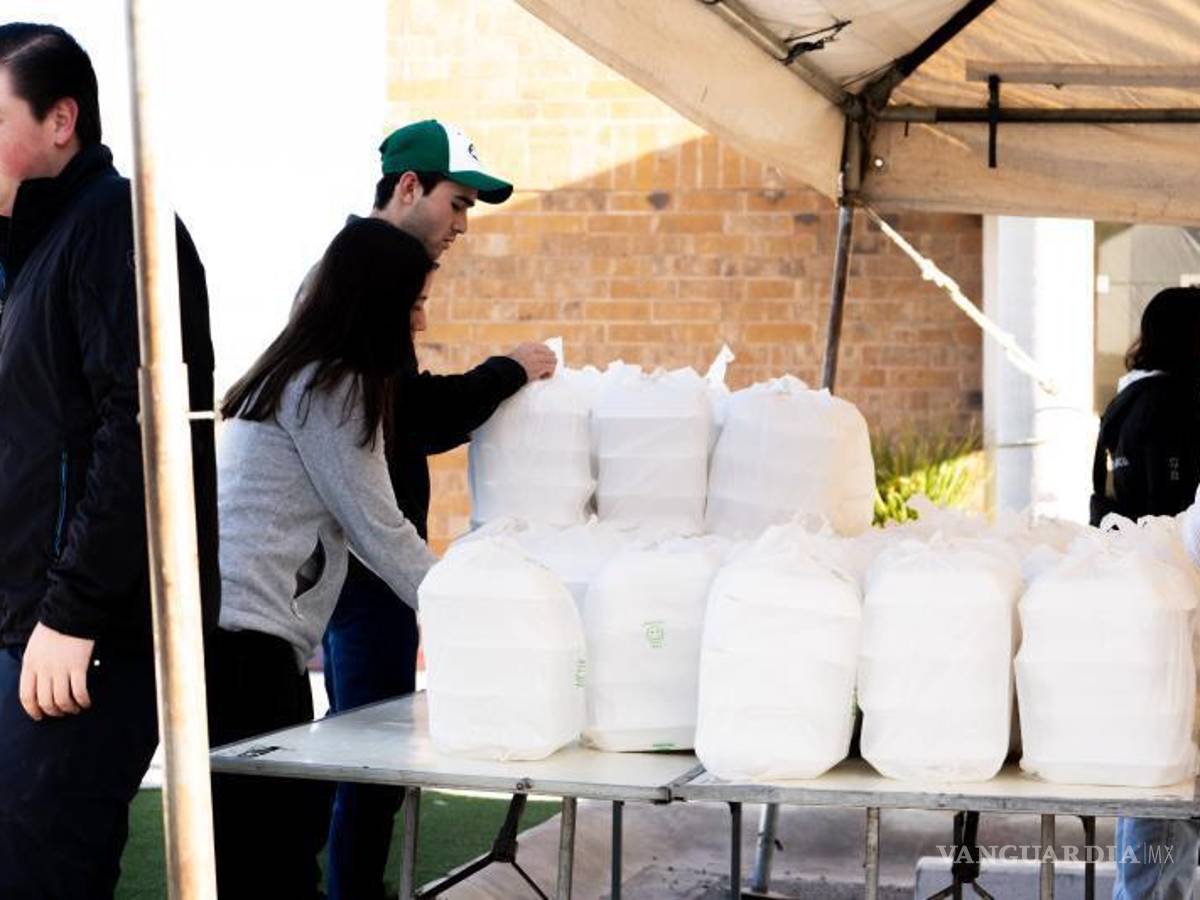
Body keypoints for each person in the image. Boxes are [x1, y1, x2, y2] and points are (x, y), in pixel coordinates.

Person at [0, 22, 218, 898]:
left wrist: (74, 613)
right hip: (28, 624)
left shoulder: (118, 226)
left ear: (61, 121)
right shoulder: (27, 252)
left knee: (40, 871)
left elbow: (140, 437)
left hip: (80, 639)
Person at [318, 119, 555, 900]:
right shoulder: (358, 284)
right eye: (456, 204)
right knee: (365, 758)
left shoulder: (367, 281)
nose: (460, 227)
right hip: (361, 567)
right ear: (409, 187)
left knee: (363, 759)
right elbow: (406, 419)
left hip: (364, 566)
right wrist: (507, 371)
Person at [210, 217, 446, 897]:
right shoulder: (330, 390)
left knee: (256, 853)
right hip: (246, 649)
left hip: (229, 641)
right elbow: (380, 530)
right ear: (377, 306)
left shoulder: (295, 374)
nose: (421, 325)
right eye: (413, 305)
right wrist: (478, 609)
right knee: (277, 857)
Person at [1090, 286, 1200, 899]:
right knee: (1168, 784)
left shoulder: (1125, 403)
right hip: (1176, 607)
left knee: (1154, 776)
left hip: (1134, 606)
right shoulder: (1175, 403)